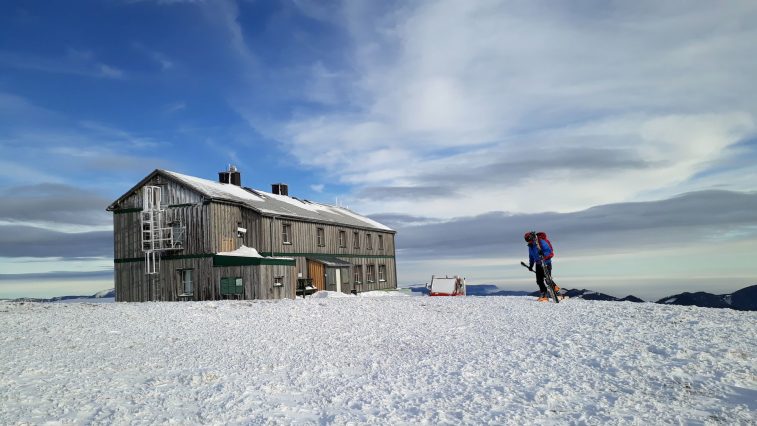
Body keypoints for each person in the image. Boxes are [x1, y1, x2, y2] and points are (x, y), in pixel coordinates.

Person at [525, 231, 559, 301]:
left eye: (529, 240)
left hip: (546, 263)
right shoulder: (530, 246)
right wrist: (531, 265)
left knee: (547, 279)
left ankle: (556, 291)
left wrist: (543, 255)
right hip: (538, 264)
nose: (529, 242)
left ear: (532, 238)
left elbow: (549, 251)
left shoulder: (541, 242)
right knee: (539, 280)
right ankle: (544, 295)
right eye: (527, 241)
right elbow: (531, 256)